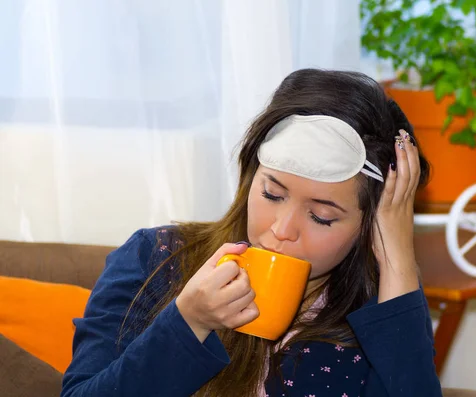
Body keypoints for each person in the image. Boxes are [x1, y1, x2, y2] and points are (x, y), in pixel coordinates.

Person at [61, 69, 442, 397]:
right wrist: (189, 322)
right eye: (271, 194)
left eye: (322, 217)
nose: (281, 230)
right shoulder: (155, 257)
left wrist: (397, 261)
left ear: (371, 223)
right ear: (249, 178)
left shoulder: (382, 312)